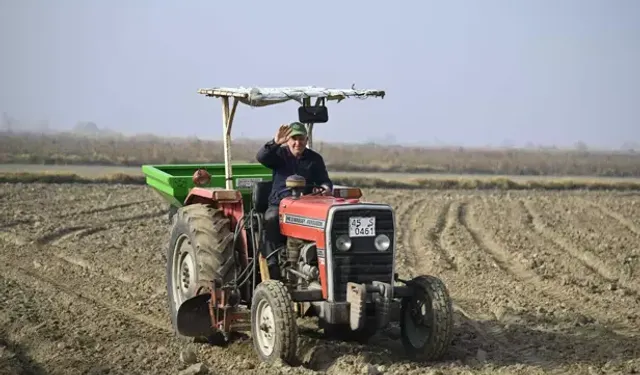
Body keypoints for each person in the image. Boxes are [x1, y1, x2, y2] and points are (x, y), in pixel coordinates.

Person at [256, 122, 333, 279]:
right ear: (288, 140)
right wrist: (275, 142)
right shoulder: (279, 155)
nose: (298, 143)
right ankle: (272, 263)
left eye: (301, 139)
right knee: (271, 218)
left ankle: (317, 262)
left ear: (306, 140)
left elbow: (325, 180)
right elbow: (261, 157)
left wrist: (325, 188)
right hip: (280, 204)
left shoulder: (314, 159)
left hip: (305, 205)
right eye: (294, 139)